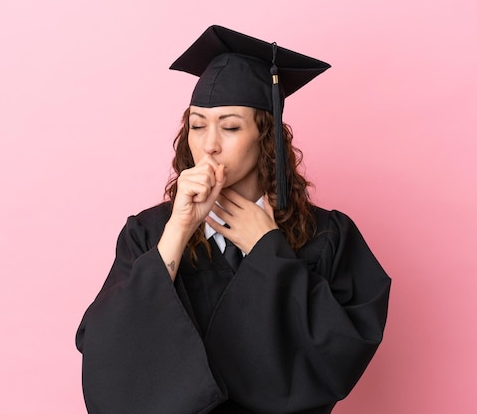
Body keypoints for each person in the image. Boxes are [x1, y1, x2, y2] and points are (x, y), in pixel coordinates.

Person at [75, 25, 391, 414]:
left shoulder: (327, 235)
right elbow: (105, 351)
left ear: (266, 135)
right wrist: (177, 231)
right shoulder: (149, 231)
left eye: (230, 127)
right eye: (196, 125)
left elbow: (340, 356)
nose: (208, 144)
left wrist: (268, 252)